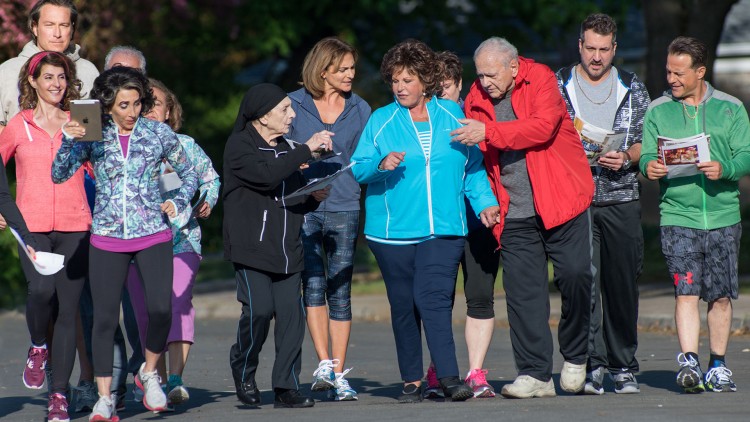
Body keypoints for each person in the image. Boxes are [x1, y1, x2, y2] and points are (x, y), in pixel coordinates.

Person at [351, 39, 500, 403]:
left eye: (408, 80)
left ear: (426, 81)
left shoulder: (452, 114)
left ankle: (448, 377)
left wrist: (485, 202)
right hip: (392, 232)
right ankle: (412, 380)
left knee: (432, 299)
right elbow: (357, 167)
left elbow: (473, 167)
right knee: (404, 305)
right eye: (395, 80)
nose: (400, 87)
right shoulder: (381, 120)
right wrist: (379, 165)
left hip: (444, 228)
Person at [451, 36, 594, 399]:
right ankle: (535, 374)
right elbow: (476, 159)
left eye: (491, 74)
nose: (484, 82)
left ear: (513, 67)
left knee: (576, 276)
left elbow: (541, 128)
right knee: (522, 294)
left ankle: (576, 355)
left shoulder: (542, 79)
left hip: (561, 200)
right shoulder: (475, 98)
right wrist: (485, 199)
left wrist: (490, 131)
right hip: (513, 211)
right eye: (479, 74)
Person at [52, 66, 198, 421]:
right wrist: (70, 139)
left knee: (160, 310)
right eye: (124, 105)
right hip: (107, 236)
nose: (133, 112)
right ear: (108, 105)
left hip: (153, 234)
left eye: (136, 103)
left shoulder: (157, 133)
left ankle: (148, 372)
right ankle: (104, 398)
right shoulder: (92, 133)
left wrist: (177, 203)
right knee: (103, 320)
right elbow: (58, 174)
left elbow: (188, 171)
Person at [641, 36, 750, 394]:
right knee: (685, 291)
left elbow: (746, 155)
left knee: (719, 296)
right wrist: (650, 166)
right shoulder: (658, 110)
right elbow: (645, 157)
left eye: (679, 72)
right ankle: (688, 360)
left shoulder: (731, 108)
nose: (671, 78)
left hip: (722, 216)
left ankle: (717, 365)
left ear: (700, 72)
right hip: (677, 215)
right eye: (668, 71)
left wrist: (726, 168)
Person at [556, 13, 650, 395]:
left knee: (622, 283)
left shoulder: (633, 88)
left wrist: (626, 156)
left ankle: (623, 364)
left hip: (621, 196)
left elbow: (648, 141)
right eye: (590, 48)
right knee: (584, 283)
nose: (596, 57)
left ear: (614, 49)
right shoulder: (557, 85)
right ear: (580, 45)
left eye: (604, 50)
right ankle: (593, 364)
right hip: (574, 198)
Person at [224, 83, 333, 409]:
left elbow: (292, 198)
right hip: (251, 247)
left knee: (290, 317)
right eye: (284, 109)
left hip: (287, 246)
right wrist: (305, 152)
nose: (292, 114)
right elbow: (266, 177)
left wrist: (314, 196)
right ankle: (243, 368)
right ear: (261, 116)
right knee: (259, 311)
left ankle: (286, 387)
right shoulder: (239, 145)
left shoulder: (288, 147)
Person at [0, 50, 90, 422]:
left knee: (68, 311)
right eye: (48, 77)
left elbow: (102, 168)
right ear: (33, 82)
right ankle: (38, 346)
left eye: (62, 77)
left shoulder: (82, 120)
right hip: (31, 226)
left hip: (76, 224)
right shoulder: (18, 125)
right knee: (41, 291)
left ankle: (59, 397)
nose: (56, 84)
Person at [125, 78, 221, 407]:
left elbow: (210, 177)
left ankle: (176, 378)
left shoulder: (186, 145)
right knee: (147, 313)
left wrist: (208, 199)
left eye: (157, 104)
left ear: (169, 111)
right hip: (137, 242)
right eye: (143, 104)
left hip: (182, 240)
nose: (149, 110)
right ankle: (157, 379)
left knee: (178, 304)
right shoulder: (128, 148)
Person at [286, 37, 371, 402]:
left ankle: (339, 372)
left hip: (345, 204)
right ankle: (323, 365)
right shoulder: (292, 103)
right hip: (304, 205)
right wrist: (300, 159)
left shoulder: (361, 108)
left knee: (340, 288)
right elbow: (278, 150)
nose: (351, 75)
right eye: (343, 69)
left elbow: (365, 157)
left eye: (352, 68)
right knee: (313, 283)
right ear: (323, 71)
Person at [74, 45, 148, 413]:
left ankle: (142, 375)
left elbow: (175, 170)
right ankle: (109, 386)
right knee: (100, 313)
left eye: (131, 73)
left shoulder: (150, 120)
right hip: (93, 226)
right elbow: (66, 168)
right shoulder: (87, 117)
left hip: (143, 230)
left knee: (141, 311)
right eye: (116, 71)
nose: (123, 80)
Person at [425, 50, 499, 400]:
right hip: (440, 220)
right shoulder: (422, 121)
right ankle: (439, 368)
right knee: (438, 298)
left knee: (480, 296)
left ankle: (476, 373)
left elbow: (481, 166)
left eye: (444, 90)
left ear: (458, 85)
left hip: (478, 217)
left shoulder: (476, 112)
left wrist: (488, 203)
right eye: (433, 91)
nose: (439, 98)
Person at [0, 0, 98, 133]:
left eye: (64, 25)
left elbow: (90, 132)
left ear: (72, 28)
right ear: (35, 27)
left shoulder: (87, 72)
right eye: (49, 25)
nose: (57, 34)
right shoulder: (8, 71)